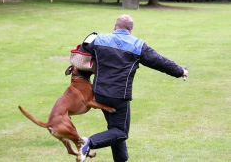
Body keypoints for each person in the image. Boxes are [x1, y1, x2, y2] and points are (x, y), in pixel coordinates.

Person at [79, 14, 188, 162]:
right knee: (120, 132)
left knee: (114, 129)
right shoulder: (137, 45)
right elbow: (158, 61)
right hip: (119, 96)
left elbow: (81, 52)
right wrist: (180, 71)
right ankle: (88, 142)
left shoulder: (99, 39)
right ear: (130, 31)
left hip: (99, 93)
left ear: (114, 28)